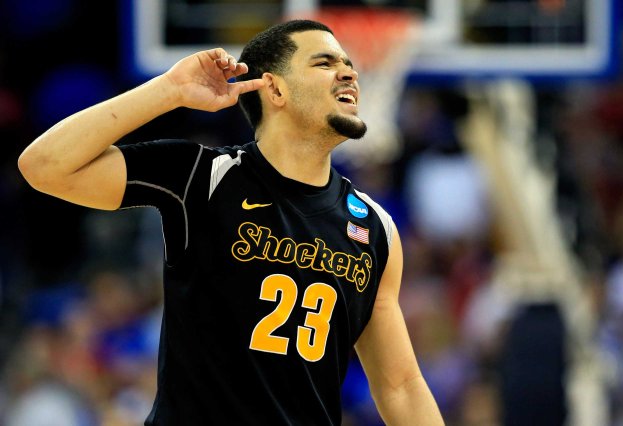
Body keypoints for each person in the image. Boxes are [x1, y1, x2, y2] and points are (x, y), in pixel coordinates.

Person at [18, 19, 444, 425]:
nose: (348, 73)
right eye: (324, 63)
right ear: (275, 89)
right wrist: (168, 90)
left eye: (349, 65)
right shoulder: (204, 176)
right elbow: (45, 165)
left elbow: (401, 387)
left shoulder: (375, 227)